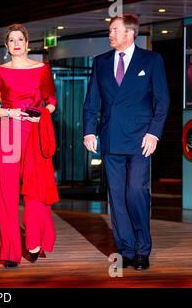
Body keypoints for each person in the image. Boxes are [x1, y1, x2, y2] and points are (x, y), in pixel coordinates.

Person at [83, 14, 170, 270]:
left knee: (135, 192)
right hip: (110, 139)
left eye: (114, 30)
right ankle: (127, 250)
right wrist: (89, 131)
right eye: (110, 30)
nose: (110, 35)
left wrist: (154, 133)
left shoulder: (152, 60)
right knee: (117, 198)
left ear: (130, 33)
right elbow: (92, 103)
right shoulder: (100, 62)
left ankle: (143, 248)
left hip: (141, 139)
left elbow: (162, 101)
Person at [0, 24, 59, 268]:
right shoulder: (0, 72)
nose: (16, 43)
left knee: (35, 189)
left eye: (20, 39)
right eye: (11, 40)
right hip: (7, 132)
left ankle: (35, 239)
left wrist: (42, 115)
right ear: (7, 47)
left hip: (34, 132)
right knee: (5, 193)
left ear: (27, 44)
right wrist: (9, 112)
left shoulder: (42, 69)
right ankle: (10, 252)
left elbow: (52, 102)